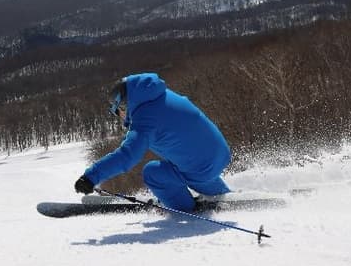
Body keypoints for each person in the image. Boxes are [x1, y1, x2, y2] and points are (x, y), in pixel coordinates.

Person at [74, 72, 232, 212]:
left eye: (117, 112)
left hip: (200, 167)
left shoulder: (145, 118)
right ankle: (220, 194)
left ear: (124, 105)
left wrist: (91, 177)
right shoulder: (161, 95)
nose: (119, 117)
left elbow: (127, 156)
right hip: (218, 154)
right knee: (183, 163)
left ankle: (185, 208)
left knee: (152, 172)